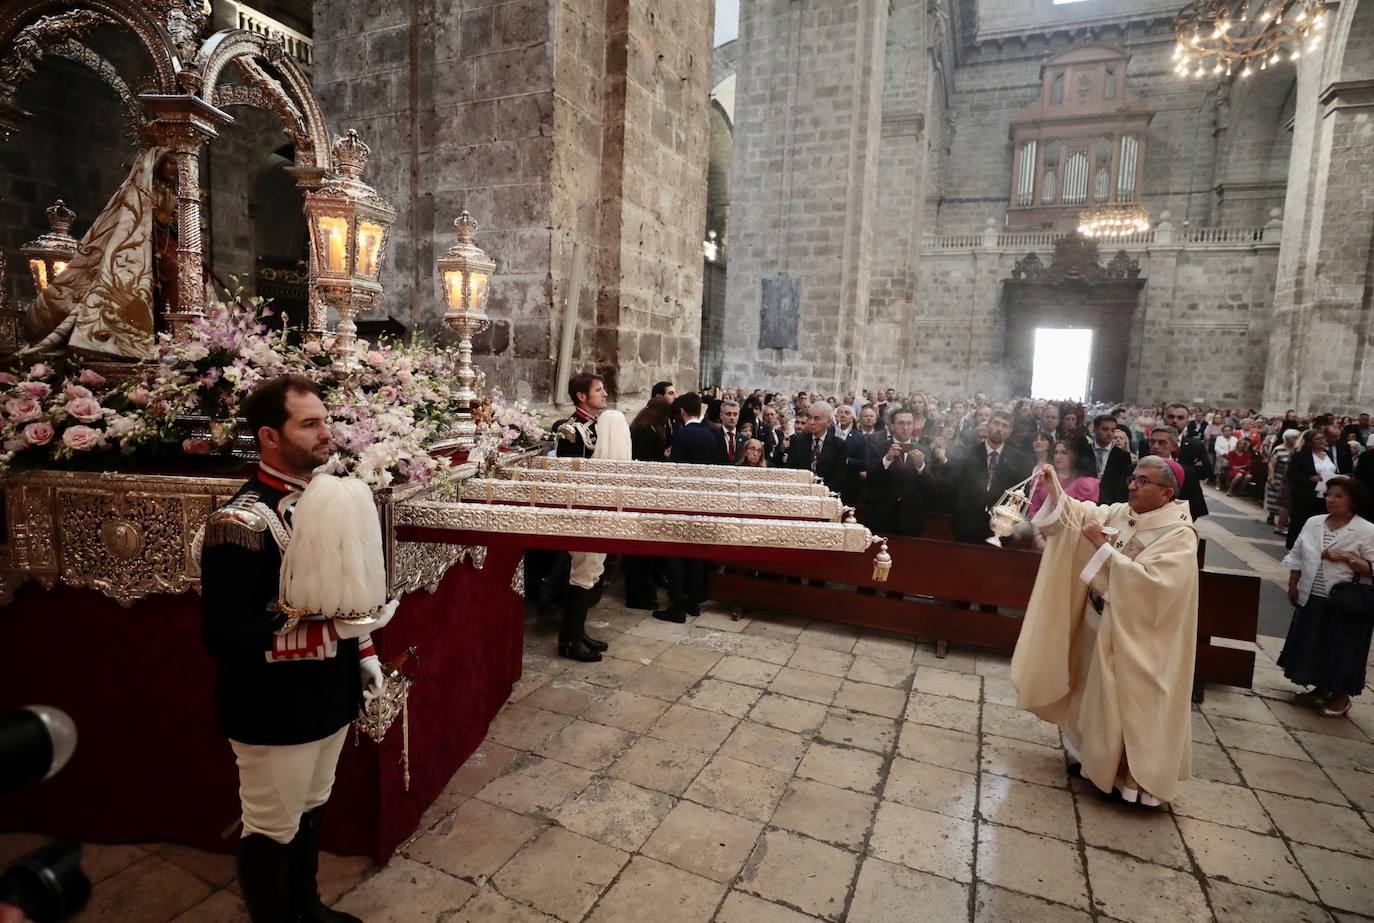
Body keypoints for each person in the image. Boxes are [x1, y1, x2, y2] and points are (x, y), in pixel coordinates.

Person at [201, 375, 394, 923]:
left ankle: (306, 907)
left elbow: (345, 595)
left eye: (324, 421)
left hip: (330, 694)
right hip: (271, 705)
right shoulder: (239, 523)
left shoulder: (325, 497)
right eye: (308, 424)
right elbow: (224, 636)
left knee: (311, 808)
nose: (325, 434)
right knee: (272, 825)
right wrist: (334, 638)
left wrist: (364, 653)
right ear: (269, 435)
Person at [1012, 455, 1199, 807]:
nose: (1132, 485)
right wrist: (1056, 492)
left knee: (1125, 706)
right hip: (1100, 622)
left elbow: (1155, 588)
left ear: (1166, 493)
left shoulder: (1178, 536)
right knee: (1092, 697)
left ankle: (1127, 782)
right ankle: (1091, 762)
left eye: (1143, 481)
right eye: (1133, 477)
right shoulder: (1122, 514)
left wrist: (1100, 547)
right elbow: (1081, 515)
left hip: (1138, 639)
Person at [1278, 477, 1374, 718]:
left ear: (1353, 501)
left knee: (1343, 649)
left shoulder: (1366, 529)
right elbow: (1298, 554)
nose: (1330, 500)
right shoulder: (1314, 522)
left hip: (1346, 602)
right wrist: (1293, 584)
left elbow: (1371, 567)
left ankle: (1341, 696)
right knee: (1316, 645)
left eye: (1338, 496)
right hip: (1314, 595)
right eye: (1329, 494)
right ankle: (1320, 687)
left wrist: (1345, 557)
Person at [655, 393, 714, 623]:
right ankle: (693, 602)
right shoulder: (711, 435)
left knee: (675, 553)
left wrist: (668, 456)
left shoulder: (682, 434)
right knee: (697, 552)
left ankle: (677, 605)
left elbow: (676, 471)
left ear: (681, 412)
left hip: (682, 500)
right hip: (703, 500)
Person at [945, 410, 1032, 544]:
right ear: (988, 426)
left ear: (1010, 431)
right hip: (967, 526)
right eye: (996, 423)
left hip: (1001, 530)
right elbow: (954, 487)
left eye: (1004, 426)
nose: (999, 429)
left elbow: (1021, 495)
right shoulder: (967, 454)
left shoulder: (1019, 460)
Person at [860, 408, 938, 536]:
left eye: (909, 423)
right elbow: (871, 478)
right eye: (901, 423)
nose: (905, 427)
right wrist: (887, 460)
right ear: (892, 426)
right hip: (882, 516)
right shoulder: (878, 448)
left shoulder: (923, 451)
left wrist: (921, 466)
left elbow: (931, 487)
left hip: (911, 517)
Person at [1286, 429, 1339, 549]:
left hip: (1324, 493)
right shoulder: (1301, 455)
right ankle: (1293, 546)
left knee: (1319, 522)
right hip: (1305, 493)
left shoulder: (1328, 454)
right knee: (1300, 521)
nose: (1321, 441)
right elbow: (1292, 474)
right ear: (1310, 442)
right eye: (1318, 439)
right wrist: (1310, 478)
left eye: (1322, 438)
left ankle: (1312, 546)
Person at [1147, 426, 1208, 521]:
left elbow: (1195, 507)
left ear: (1174, 446)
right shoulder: (1135, 470)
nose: (1155, 446)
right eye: (1152, 442)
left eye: (1162, 442)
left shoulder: (1187, 474)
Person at [1029, 439, 1100, 520]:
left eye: (1064, 453)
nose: (1058, 457)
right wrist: (1038, 528)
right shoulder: (1044, 477)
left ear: (1074, 456)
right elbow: (1033, 507)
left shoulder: (1084, 483)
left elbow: (1084, 514)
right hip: (1039, 526)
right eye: (1056, 452)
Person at [785, 402, 847, 493]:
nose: (811, 422)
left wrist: (820, 491)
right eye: (810, 417)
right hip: (800, 493)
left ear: (829, 422)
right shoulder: (797, 441)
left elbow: (840, 476)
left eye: (817, 419)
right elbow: (791, 470)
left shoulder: (838, 445)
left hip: (826, 495)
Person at [555, 372, 607, 458]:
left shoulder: (601, 423)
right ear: (582, 396)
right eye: (598, 390)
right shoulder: (570, 430)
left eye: (603, 389)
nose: (605, 394)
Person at [1091, 414, 1132, 505]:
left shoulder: (1123, 456)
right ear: (1094, 430)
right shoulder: (1084, 451)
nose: (1109, 433)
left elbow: (1124, 486)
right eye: (1105, 429)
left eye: (1112, 430)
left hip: (1111, 504)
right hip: (1086, 502)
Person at [1267, 429, 1297, 530]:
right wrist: (1271, 477)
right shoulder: (1279, 449)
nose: (1297, 440)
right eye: (1295, 438)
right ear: (1288, 439)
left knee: (1285, 500)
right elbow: (1271, 464)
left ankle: (1283, 519)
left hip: (1289, 478)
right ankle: (1271, 516)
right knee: (1274, 497)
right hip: (1278, 475)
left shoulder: (1297, 450)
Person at [716, 399, 745, 464]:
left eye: (735, 414)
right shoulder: (713, 437)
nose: (732, 417)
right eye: (728, 414)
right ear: (721, 415)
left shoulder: (744, 440)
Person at [1212, 425, 1238, 490]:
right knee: (1219, 466)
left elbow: (1236, 448)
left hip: (1232, 457)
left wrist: (1231, 455)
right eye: (1225, 431)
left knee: (1230, 468)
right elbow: (1216, 448)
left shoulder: (1235, 439)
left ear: (1231, 431)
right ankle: (1218, 483)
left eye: (1229, 431)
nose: (1227, 432)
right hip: (1221, 456)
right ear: (1223, 432)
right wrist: (1224, 453)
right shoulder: (1219, 438)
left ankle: (1228, 484)